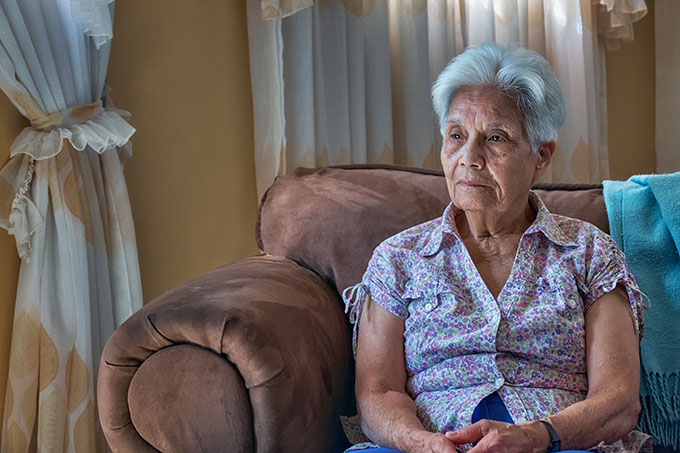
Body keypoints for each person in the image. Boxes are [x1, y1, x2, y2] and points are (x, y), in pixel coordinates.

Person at [342, 42, 651, 453]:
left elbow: (618, 400)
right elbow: (377, 393)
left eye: (495, 138)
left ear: (541, 155)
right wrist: (422, 444)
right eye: (456, 135)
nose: (469, 157)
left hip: (561, 446)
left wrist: (538, 435)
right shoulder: (398, 258)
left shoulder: (589, 252)